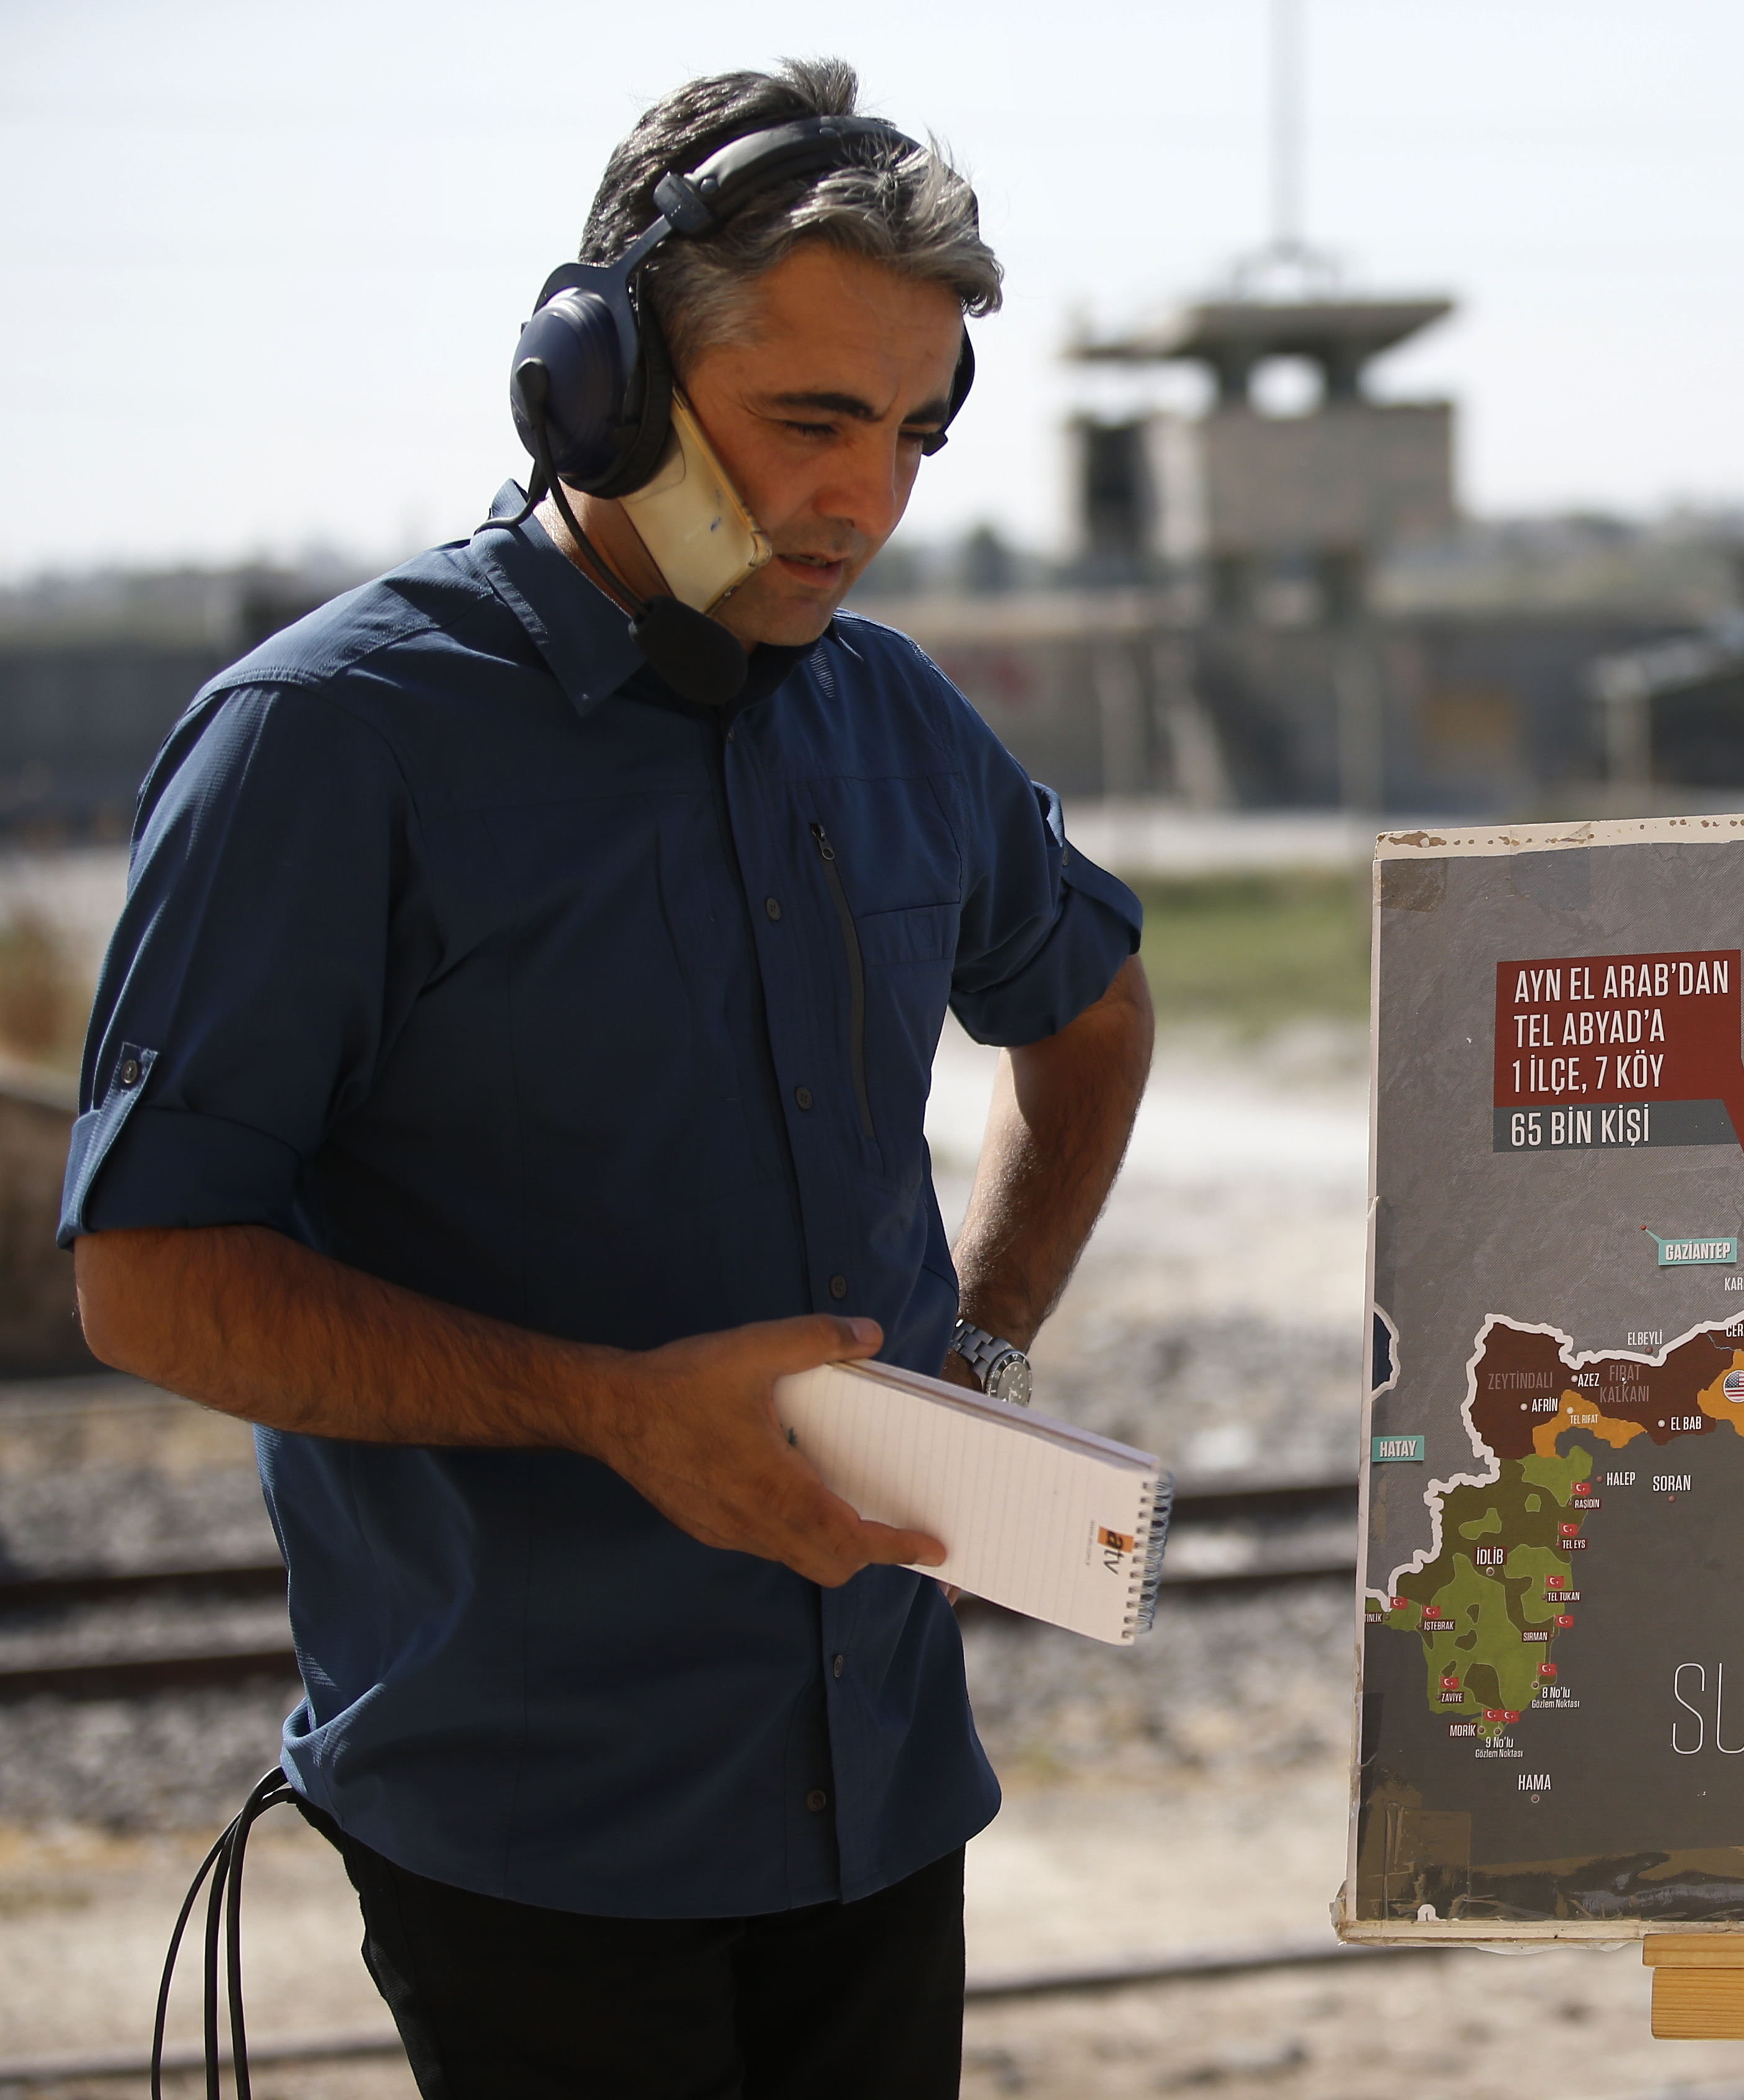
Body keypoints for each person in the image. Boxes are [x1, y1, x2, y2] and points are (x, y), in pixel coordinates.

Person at [59, 60, 1150, 2098]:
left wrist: (983, 1365)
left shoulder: (894, 718)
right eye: (809, 422)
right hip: (533, 1830)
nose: (865, 499)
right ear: (600, 386)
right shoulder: (322, 744)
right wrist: (609, 1416)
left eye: (911, 436)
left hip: (886, 1788)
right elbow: (149, 1275)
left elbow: (1090, 1014)